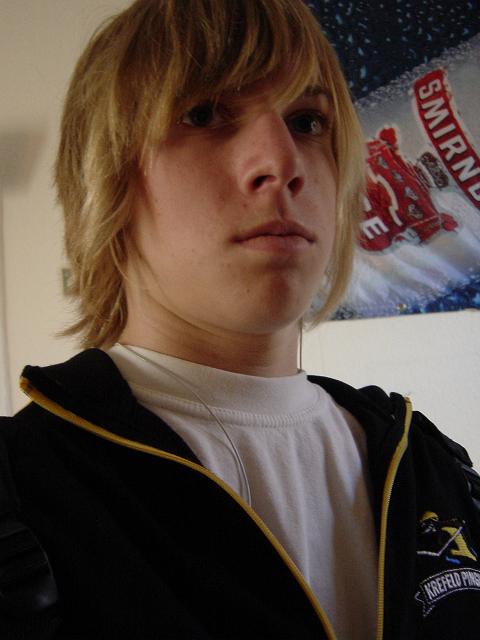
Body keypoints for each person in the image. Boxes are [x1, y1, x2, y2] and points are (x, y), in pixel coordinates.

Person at [0, 1, 479, 638]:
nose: (282, 162)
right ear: (104, 175)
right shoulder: (24, 491)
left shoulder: (432, 465)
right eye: (203, 114)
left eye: (307, 122)